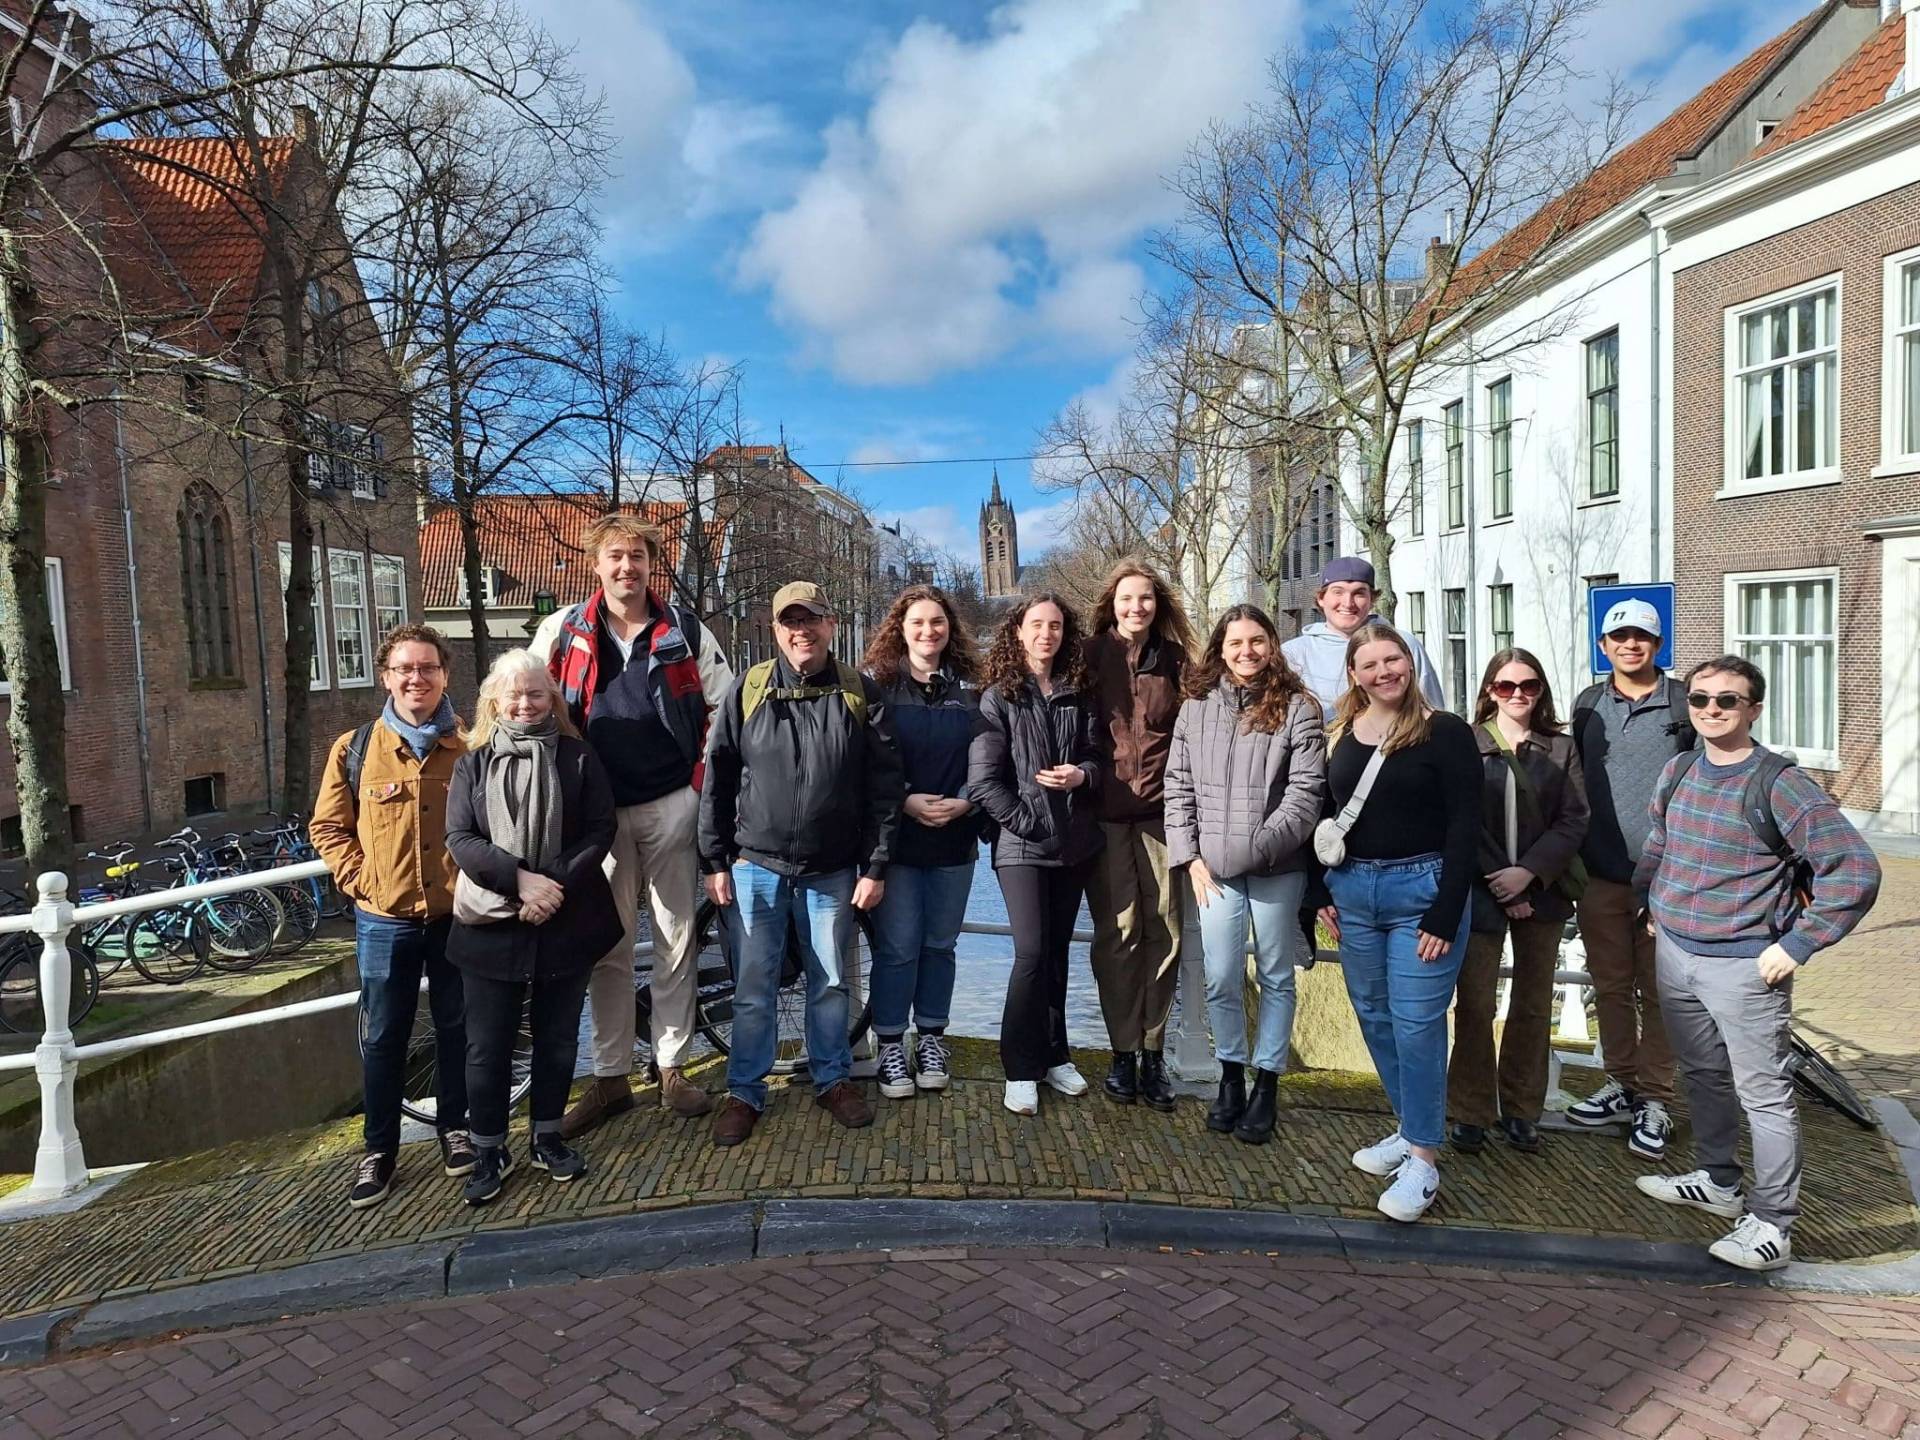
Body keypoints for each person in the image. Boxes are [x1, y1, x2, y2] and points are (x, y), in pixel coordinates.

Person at [1632, 656, 1880, 1272]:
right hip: (1676, 952)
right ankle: (1719, 1182)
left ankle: (1772, 1225)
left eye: (1728, 701)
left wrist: (1796, 945)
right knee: (1702, 1075)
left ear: (1754, 710)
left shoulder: (1780, 783)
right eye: (1700, 699)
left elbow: (1855, 869)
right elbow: (1661, 843)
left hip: (1745, 965)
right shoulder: (1679, 767)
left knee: (1765, 1095)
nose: (1711, 710)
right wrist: (1653, 903)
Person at [529, 515, 734, 1138]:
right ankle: (612, 1075)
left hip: (671, 801)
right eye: (616, 556)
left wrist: (701, 786)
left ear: (652, 564)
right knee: (608, 945)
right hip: (596, 814)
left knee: (676, 936)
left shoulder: (685, 630)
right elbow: (529, 700)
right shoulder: (562, 631)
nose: (627, 568)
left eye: (638, 557)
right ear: (597, 565)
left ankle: (671, 1067)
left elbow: (724, 707)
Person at [699, 581, 905, 1146]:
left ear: (830, 625)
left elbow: (885, 790)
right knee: (752, 985)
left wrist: (875, 866)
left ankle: (832, 1078)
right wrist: (714, 858)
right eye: (790, 621)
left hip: (832, 868)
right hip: (755, 866)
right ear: (775, 629)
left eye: (811, 619)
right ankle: (744, 1089)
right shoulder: (749, 689)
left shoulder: (859, 693)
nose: (801, 631)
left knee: (831, 980)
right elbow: (717, 778)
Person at [443, 651, 620, 1204]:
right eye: (514, 695)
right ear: (494, 701)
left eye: (536, 694)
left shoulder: (579, 757)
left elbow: (600, 828)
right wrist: (521, 882)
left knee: (558, 1039)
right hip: (493, 925)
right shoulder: (471, 765)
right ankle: (489, 1147)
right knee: (487, 1047)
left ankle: (548, 1135)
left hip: (565, 920)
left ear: (552, 700)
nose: (525, 704)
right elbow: (461, 839)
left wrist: (552, 886)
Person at [1316, 624, 1479, 1223]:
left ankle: (1425, 1160)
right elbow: (1327, 813)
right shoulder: (1341, 734)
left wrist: (1445, 908)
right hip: (1354, 891)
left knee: (1416, 1023)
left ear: (1409, 664)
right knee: (1375, 1016)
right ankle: (1410, 1128)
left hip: (1422, 890)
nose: (1385, 672)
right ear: (1354, 674)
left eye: (1394, 660)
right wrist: (1321, 892)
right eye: (1371, 664)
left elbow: (1466, 825)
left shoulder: (1446, 733)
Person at [310, 624, 471, 1210]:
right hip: (386, 918)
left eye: (427, 668)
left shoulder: (469, 747)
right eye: (404, 668)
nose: (416, 678)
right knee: (383, 1036)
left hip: (456, 915)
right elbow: (327, 827)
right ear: (386, 677)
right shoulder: (354, 749)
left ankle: (456, 1129)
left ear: (444, 676)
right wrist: (362, 882)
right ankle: (378, 1150)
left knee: (457, 1026)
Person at [1163, 605, 1325, 1144]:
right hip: (1213, 871)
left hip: (1277, 866)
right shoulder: (1197, 707)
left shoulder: (1299, 708)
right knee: (1221, 976)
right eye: (1236, 643)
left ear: (1272, 645)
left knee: (1277, 976)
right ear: (1220, 648)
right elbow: (1177, 787)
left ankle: (1268, 1085)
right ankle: (1231, 1076)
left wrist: (1255, 849)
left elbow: (1305, 797)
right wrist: (1189, 856)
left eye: (1257, 641)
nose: (1246, 652)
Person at [1446, 649, 1589, 1157]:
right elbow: (1460, 815)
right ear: (1489, 690)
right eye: (1506, 686)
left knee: (1532, 1005)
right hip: (1480, 892)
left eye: (1528, 686)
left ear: (1541, 690)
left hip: (1543, 893)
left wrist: (1527, 875)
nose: (1518, 695)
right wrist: (1499, 881)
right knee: (1476, 1004)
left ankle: (1522, 1109)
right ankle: (1469, 1110)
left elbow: (1574, 819)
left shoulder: (1561, 748)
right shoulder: (1467, 742)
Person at [968, 592, 1105, 1117]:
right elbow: (984, 783)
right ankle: (1019, 1067)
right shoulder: (999, 696)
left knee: (1056, 954)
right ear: (1018, 632)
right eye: (1037, 625)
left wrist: (1082, 775)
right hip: (1022, 848)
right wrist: (1030, 823)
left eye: (1055, 626)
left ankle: (1055, 1054)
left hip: (1074, 846)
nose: (1046, 634)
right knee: (1028, 954)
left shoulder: (1078, 691)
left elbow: (1097, 757)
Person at [1566, 598, 1694, 1161]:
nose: (1630, 646)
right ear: (1603, 646)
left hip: (1666, 878)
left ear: (1657, 644)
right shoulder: (1588, 705)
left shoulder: (1688, 703)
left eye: (1642, 637)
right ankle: (1622, 1082)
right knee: (1611, 985)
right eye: (1619, 638)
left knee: (1661, 992)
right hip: (1600, 873)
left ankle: (1657, 1097)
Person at [862, 584, 983, 1100]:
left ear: (950, 629)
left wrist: (967, 801)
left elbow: (989, 756)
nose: (928, 631)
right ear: (901, 630)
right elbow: (864, 762)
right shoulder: (880, 690)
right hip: (899, 840)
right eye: (918, 623)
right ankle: (890, 1043)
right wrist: (907, 799)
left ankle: (931, 1036)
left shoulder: (973, 692)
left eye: (937, 622)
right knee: (897, 948)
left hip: (956, 838)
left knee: (941, 945)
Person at [1081, 558, 1193, 1111]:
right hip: (1104, 816)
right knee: (1118, 935)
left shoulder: (1176, 662)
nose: (1137, 607)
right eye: (1127, 598)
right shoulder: (1089, 657)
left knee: (1166, 931)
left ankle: (1155, 1053)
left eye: (1146, 598)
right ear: (1112, 602)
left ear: (1159, 604)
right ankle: (1121, 1053)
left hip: (1162, 818)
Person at [1281, 557, 1444, 719]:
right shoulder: (1293, 654)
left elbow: (1432, 710)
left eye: (1359, 593)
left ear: (1372, 600)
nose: (1348, 603)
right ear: (1321, 599)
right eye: (1338, 592)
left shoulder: (1404, 644)